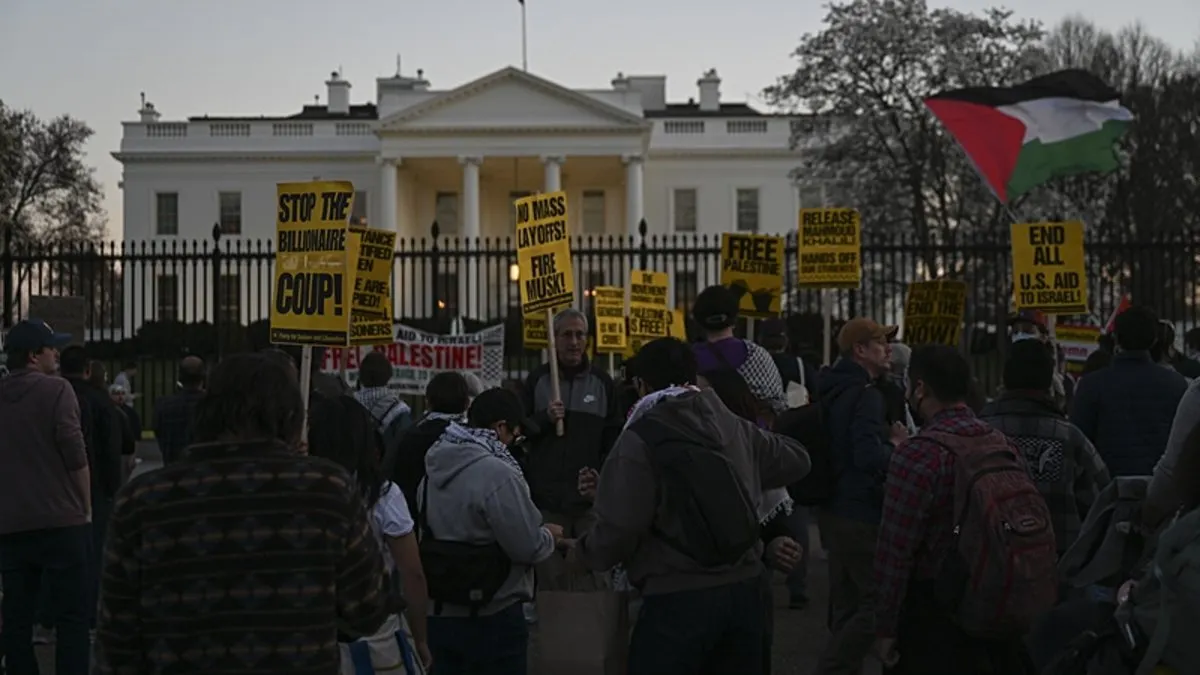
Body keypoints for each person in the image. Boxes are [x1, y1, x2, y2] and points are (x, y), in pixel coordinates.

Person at [93, 353, 389, 675]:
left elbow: (116, 641)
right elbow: (368, 610)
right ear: (291, 415)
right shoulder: (328, 490)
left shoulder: (141, 502)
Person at [574, 337, 809, 675]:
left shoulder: (639, 437)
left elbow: (621, 528)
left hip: (677, 599)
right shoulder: (730, 424)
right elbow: (797, 460)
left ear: (642, 384)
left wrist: (585, 554)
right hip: (746, 591)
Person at [873, 345, 1048, 674]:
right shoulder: (1001, 443)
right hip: (995, 599)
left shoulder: (917, 454)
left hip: (935, 614)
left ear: (921, 388)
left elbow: (896, 551)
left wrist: (885, 628)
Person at [420, 387, 567, 674]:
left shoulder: (434, 465)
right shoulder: (497, 473)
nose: (515, 442)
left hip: (440, 612)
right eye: (516, 434)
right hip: (493, 614)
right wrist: (549, 535)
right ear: (500, 427)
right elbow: (526, 546)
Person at [307, 395, 432, 673]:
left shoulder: (297, 493)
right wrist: (420, 639)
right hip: (376, 636)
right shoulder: (384, 495)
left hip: (312, 633)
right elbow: (412, 573)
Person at [694, 368, 805, 675]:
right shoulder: (684, 445)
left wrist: (777, 543)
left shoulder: (753, 445)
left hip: (746, 585)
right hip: (695, 591)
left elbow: (772, 513)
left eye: (703, 394)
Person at [814, 317, 907, 675]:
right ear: (860, 351)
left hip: (834, 506)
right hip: (860, 511)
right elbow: (867, 456)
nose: (888, 350)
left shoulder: (831, 387)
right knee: (878, 603)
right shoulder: (866, 397)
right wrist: (897, 447)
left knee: (846, 604)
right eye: (881, 343)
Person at [0, 320, 91, 675]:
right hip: (60, 519)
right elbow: (74, 453)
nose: (57, 353)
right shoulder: (58, 391)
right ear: (34, 356)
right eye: (51, 347)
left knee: (17, 617)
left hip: (11, 523)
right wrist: (85, 506)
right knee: (72, 616)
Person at [520, 308, 623, 587]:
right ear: (554, 339)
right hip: (548, 501)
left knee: (596, 578)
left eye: (580, 335)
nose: (574, 342)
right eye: (567, 335)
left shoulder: (602, 384)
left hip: (590, 503)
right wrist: (544, 419)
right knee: (552, 580)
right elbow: (519, 432)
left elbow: (613, 439)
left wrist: (600, 478)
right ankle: (555, 632)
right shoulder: (537, 381)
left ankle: (596, 631)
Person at [980, 339, 1110, 558]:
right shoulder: (1071, 438)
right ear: (1049, 381)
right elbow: (1101, 504)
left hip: (992, 564)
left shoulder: (979, 433)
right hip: (1059, 567)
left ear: (1005, 378)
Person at [1070, 305, 1189, 477]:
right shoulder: (1176, 384)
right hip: (1159, 486)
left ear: (1116, 338)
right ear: (1154, 340)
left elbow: (1078, 442)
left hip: (1106, 489)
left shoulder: (1092, 384)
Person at [383, 371, 472, 518]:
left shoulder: (407, 435)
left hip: (410, 517)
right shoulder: (474, 440)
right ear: (466, 404)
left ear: (428, 401)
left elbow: (390, 475)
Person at [691, 285, 787, 414]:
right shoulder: (756, 355)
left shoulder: (688, 360)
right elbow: (778, 406)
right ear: (735, 318)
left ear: (699, 322)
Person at [153, 355, 206, 465]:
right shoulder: (211, 404)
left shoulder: (163, 406)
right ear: (203, 378)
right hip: (204, 469)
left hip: (173, 469)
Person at [758, 318, 817, 408]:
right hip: (795, 419)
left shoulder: (755, 365)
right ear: (785, 340)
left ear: (761, 340)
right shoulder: (801, 367)